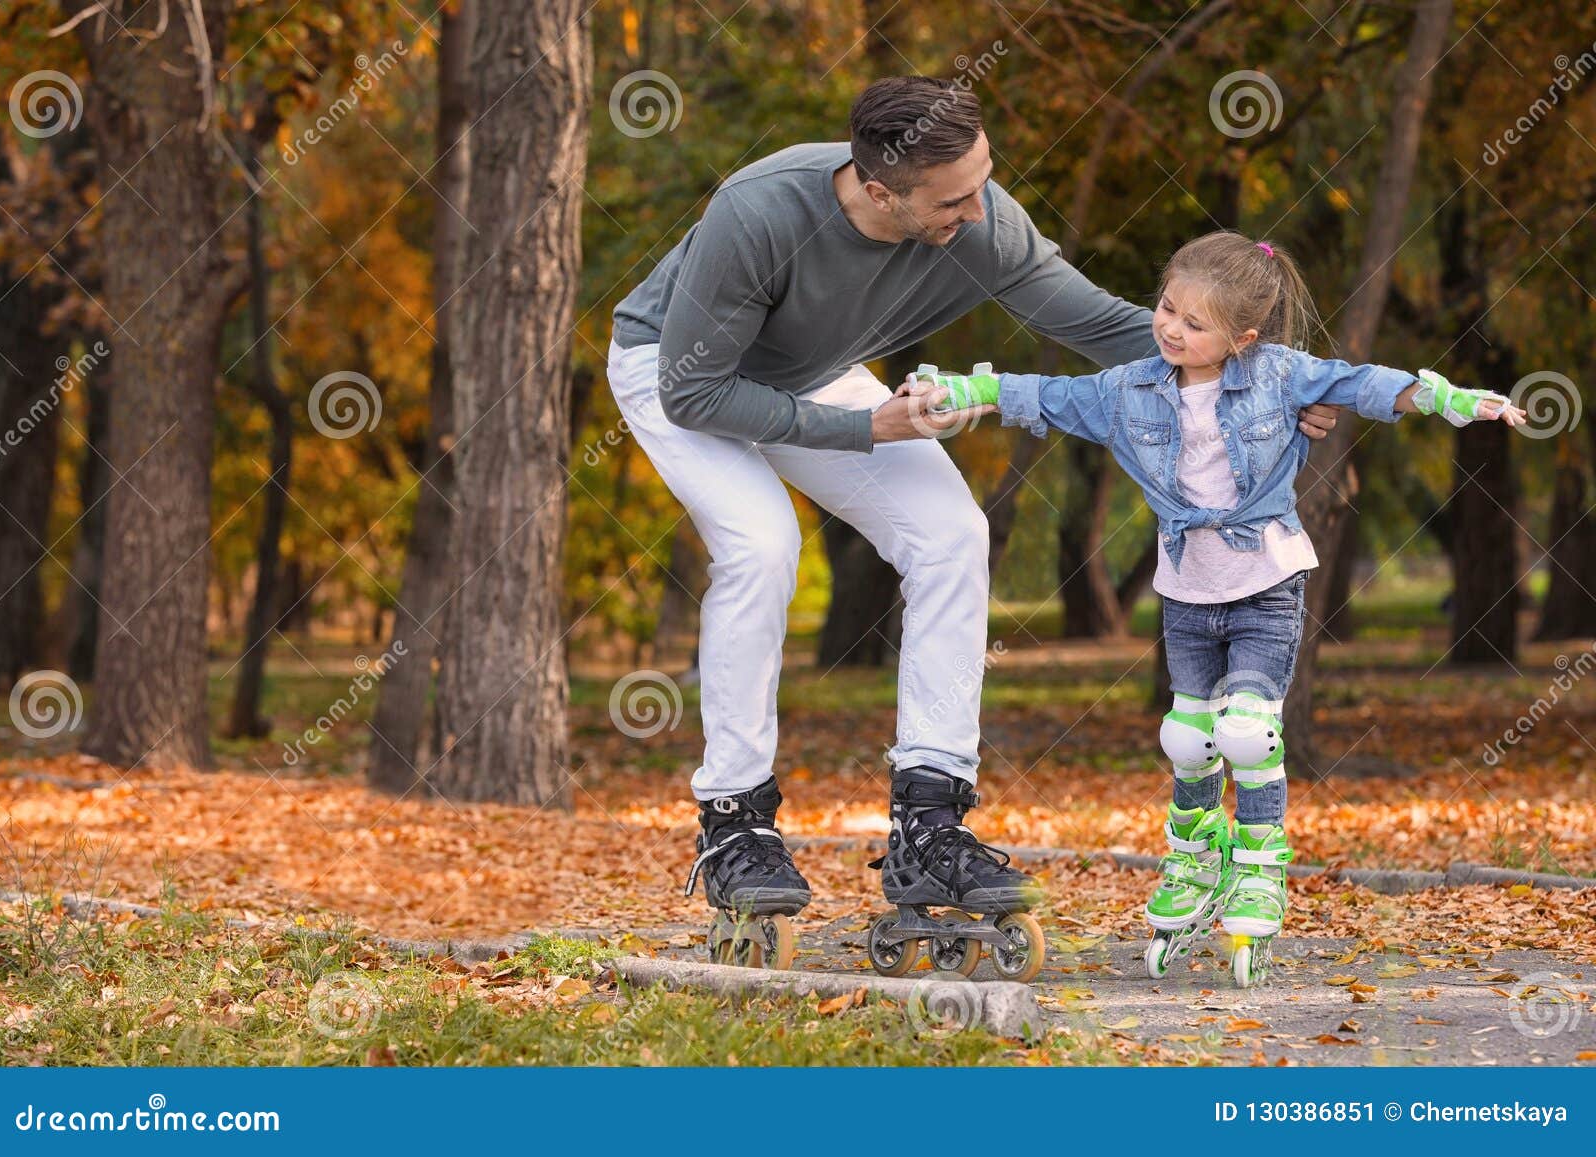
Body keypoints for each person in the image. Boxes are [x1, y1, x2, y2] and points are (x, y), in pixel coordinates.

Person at [606, 76, 1341, 969]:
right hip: (677, 372)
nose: (978, 206)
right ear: (880, 191)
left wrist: (1267, 381)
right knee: (764, 546)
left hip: (813, 374)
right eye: (954, 197)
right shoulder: (759, 213)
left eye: (983, 178)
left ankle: (929, 817)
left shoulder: (979, 217)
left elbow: (1103, 325)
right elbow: (697, 390)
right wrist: (861, 426)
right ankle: (734, 824)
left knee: (952, 533)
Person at [918, 230, 1528, 986]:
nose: (1172, 328)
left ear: (1241, 338)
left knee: (1247, 727)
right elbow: (1045, 395)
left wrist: (1450, 399)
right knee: (1187, 736)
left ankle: (1261, 862)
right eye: (1167, 307)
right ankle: (1194, 856)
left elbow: (1363, 382)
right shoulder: (1131, 389)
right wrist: (968, 390)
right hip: (1186, 589)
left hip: (1266, 582)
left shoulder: (1278, 376)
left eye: (1194, 323)